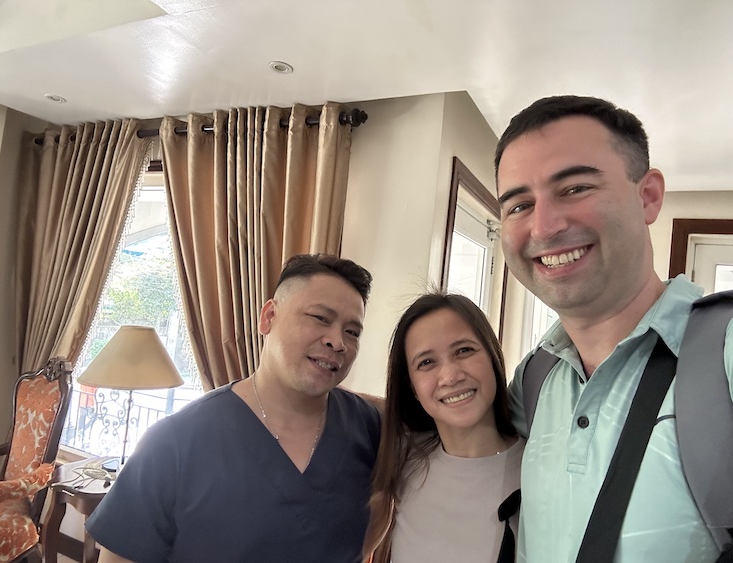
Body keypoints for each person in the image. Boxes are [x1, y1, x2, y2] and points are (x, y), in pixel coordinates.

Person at [496, 95, 733, 562]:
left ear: (648, 196)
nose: (543, 227)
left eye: (575, 188)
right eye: (519, 205)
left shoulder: (723, 354)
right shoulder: (534, 380)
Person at [87, 254, 382, 563]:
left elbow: (387, 506)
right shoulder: (176, 441)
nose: (338, 342)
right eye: (320, 318)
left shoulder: (369, 427)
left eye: (352, 332)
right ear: (268, 316)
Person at [363, 293, 523, 563]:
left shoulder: (540, 469)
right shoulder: (405, 457)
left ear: (493, 354)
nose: (450, 376)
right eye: (426, 362)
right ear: (412, 387)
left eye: (464, 350)